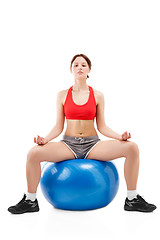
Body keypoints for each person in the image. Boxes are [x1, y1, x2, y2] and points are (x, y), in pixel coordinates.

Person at [8, 53, 156, 214]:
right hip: (68, 145)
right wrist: (45, 139)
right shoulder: (62, 95)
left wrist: (120, 137)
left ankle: (132, 199)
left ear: (89, 70)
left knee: (132, 148)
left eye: (83, 65)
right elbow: (58, 126)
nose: (79, 67)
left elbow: (102, 126)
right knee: (33, 153)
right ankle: (30, 201)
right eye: (76, 65)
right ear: (71, 69)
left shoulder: (98, 95)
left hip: (92, 145)